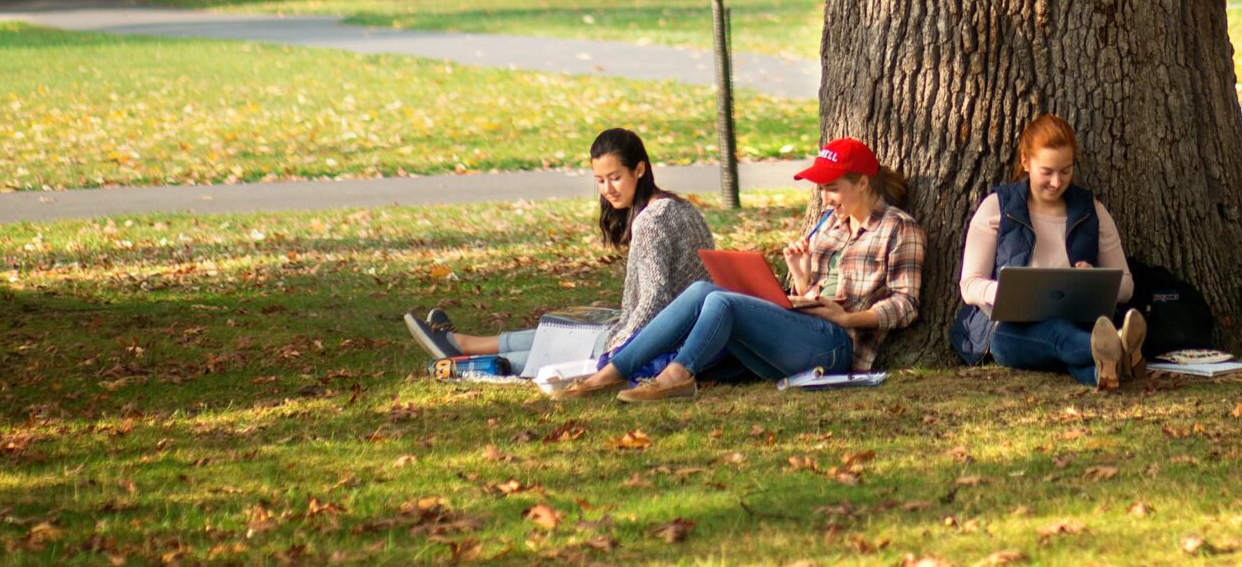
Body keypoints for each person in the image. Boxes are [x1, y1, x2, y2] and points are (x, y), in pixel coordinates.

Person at [551, 136, 923, 402]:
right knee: (701, 292)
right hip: (803, 329)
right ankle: (608, 374)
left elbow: (905, 304)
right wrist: (800, 276)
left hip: (837, 346)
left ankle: (677, 376)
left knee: (723, 303)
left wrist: (846, 320)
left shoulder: (898, 228)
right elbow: (813, 296)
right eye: (822, 189)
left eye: (833, 189)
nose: (825, 199)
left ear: (861, 182)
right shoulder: (830, 224)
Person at [404, 128, 713, 371]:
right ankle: (462, 343)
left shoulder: (651, 221)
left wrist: (621, 345)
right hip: (678, 332)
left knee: (561, 350)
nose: (608, 189)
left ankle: (459, 360)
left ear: (640, 170)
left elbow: (655, 298)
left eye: (615, 177)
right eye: (600, 180)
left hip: (661, 343)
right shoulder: (680, 207)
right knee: (564, 331)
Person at [955, 113, 1147, 391]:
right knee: (1058, 334)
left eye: (1065, 171)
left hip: (1079, 322)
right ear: (1025, 162)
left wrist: (1094, 280)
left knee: (1067, 340)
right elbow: (969, 285)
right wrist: (1007, 292)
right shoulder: (998, 207)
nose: (1056, 182)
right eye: (1047, 171)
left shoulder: (1091, 211)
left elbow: (1126, 286)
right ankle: (1121, 346)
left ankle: (1107, 369)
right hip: (1007, 331)